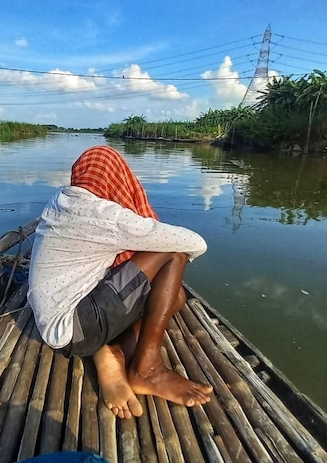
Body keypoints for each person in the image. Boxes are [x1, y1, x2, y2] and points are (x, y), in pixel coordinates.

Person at [27, 145, 212, 419]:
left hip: (62, 317)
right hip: (73, 328)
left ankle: (107, 351)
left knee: (176, 297)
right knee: (173, 254)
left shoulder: (62, 199)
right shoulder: (104, 214)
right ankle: (147, 370)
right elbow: (195, 242)